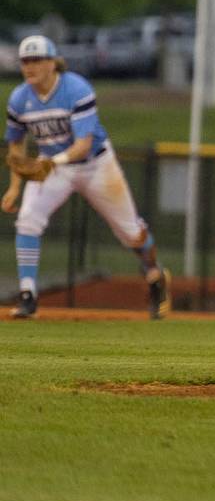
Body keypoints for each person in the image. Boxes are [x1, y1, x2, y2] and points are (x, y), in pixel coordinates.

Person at [4, 35, 170, 319]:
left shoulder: (76, 89)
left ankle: (154, 273)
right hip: (53, 168)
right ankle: (28, 296)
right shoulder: (20, 99)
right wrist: (14, 186)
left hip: (95, 165)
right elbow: (16, 145)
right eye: (25, 61)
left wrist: (52, 162)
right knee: (28, 218)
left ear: (53, 63)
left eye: (37, 60)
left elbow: (82, 145)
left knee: (130, 232)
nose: (30, 66)